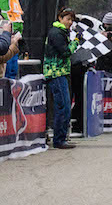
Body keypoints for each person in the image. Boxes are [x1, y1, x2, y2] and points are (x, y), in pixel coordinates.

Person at [43, 8, 79, 149]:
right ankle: (59, 139)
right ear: (60, 18)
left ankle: (61, 137)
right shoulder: (56, 33)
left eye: (71, 20)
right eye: (67, 19)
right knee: (62, 107)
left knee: (64, 107)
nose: (70, 22)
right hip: (55, 72)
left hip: (61, 72)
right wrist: (75, 42)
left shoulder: (61, 32)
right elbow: (66, 52)